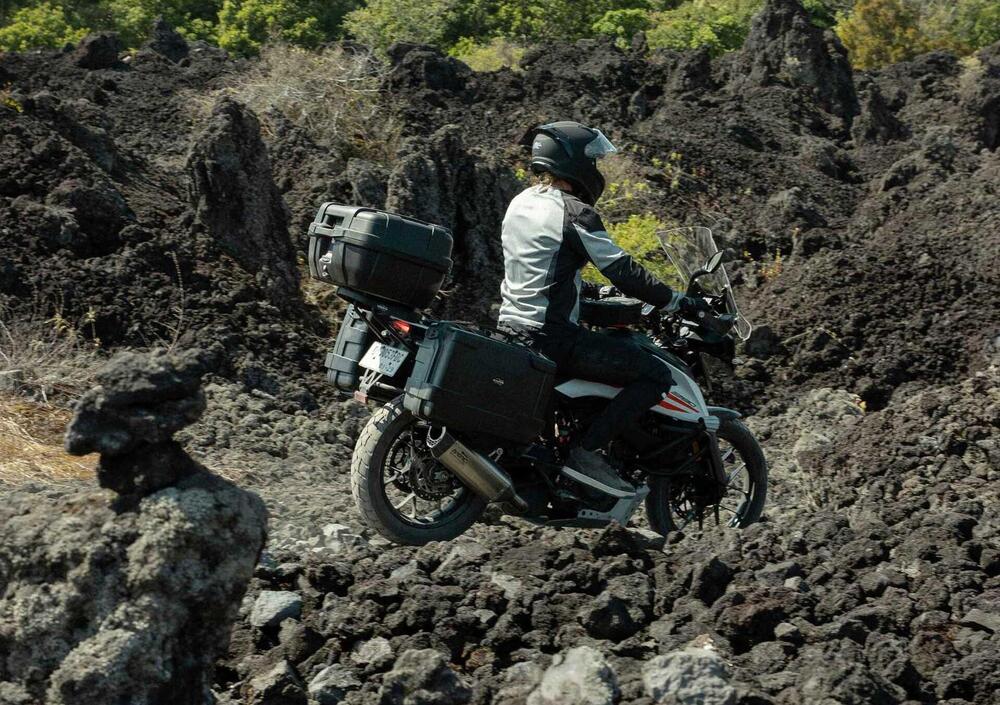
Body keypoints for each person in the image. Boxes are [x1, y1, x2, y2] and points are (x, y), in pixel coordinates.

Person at [498, 121, 708, 496]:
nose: (596, 169)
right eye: (592, 160)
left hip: (511, 328)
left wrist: (595, 293)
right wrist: (677, 301)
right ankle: (587, 452)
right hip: (553, 338)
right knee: (654, 374)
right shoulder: (573, 213)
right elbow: (623, 270)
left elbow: (544, 268)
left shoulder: (521, 203)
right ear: (574, 162)